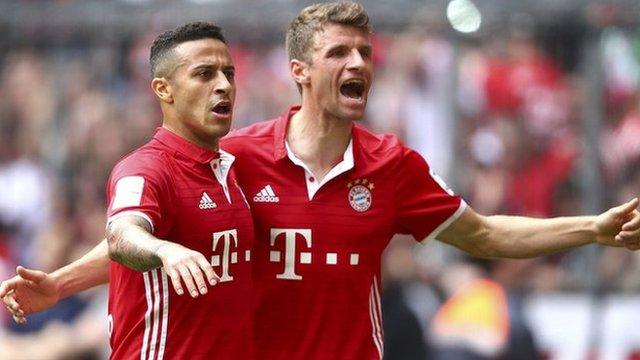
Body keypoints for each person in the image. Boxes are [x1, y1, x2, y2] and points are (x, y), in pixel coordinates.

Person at [2, 2, 640, 359]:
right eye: (339, 53)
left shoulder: (394, 165)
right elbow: (143, 232)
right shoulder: (238, 159)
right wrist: (61, 281)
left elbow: (486, 234)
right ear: (301, 71)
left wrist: (593, 228)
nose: (359, 63)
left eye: (364, 52)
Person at [3, 22, 255, 359]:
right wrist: (166, 251)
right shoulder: (145, 169)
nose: (223, 85)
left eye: (229, 73)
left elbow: (120, 250)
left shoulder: (234, 166)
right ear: (164, 89)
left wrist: (60, 283)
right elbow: (123, 236)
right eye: (205, 74)